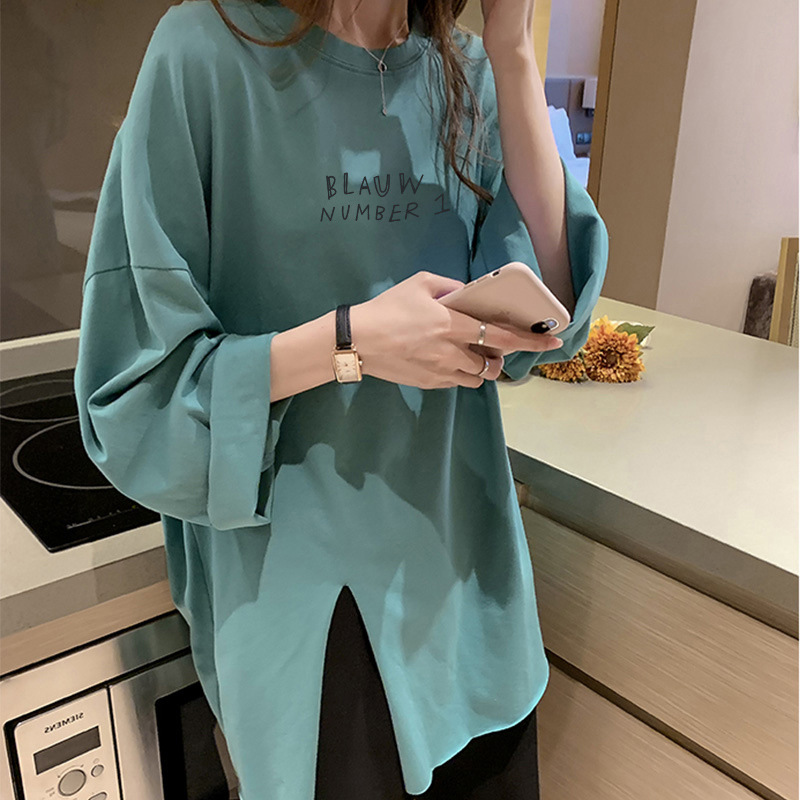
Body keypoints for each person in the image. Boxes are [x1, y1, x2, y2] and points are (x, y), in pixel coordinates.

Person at [73, 0, 609, 797]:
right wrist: (348, 342)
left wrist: (515, 50)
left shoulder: (466, 69)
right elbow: (135, 399)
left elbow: (553, 321)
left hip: (471, 593)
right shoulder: (202, 53)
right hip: (308, 619)